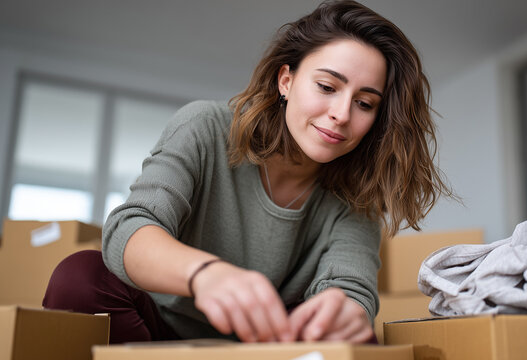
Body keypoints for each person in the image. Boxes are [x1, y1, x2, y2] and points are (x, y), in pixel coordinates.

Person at [43, 0, 451, 344]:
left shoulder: (358, 197)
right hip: (154, 330)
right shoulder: (204, 126)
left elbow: (352, 288)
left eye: (365, 103)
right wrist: (205, 275)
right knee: (81, 276)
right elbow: (130, 227)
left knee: (361, 340)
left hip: (265, 346)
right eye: (327, 87)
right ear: (286, 80)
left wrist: (344, 313)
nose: (341, 115)